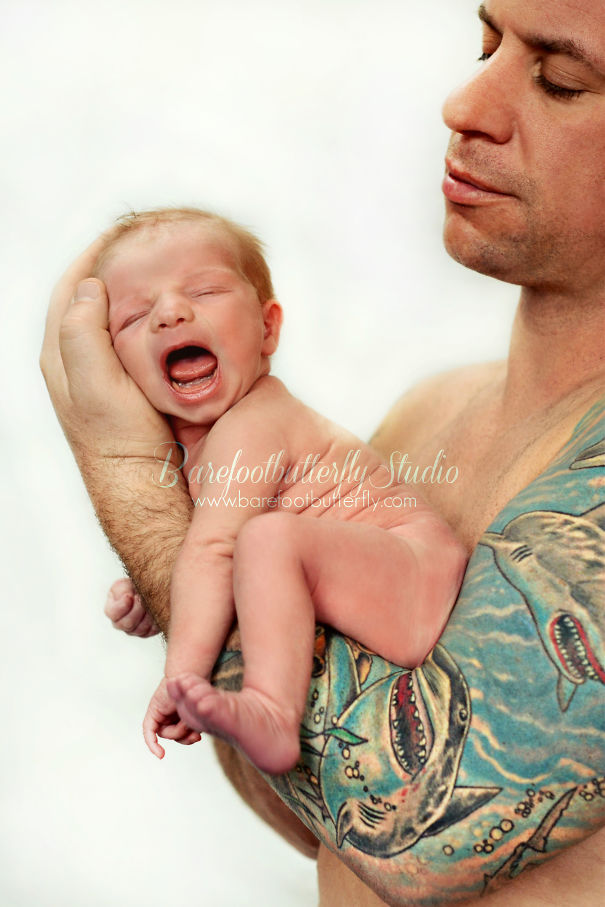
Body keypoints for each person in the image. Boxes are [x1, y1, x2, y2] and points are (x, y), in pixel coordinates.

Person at [41, 0, 605, 903]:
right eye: (486, 44)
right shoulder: (424, 416)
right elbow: (324, 816)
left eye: (559, 81)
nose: (465, 103)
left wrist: (129, 476)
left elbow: (411, 829)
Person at [92, 207, 466, 774]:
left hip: (414, 578)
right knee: (261, 545)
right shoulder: (196, 456)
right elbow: (205, 558)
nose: (170, 313)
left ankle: (271, 710)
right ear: (116, 370)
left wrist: (180, 676)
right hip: (373, 587)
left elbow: (214, 550)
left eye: (205, 290)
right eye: (136, 315)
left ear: (267, 328)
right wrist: (152, 590)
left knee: (265, 541)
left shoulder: (255, 420)